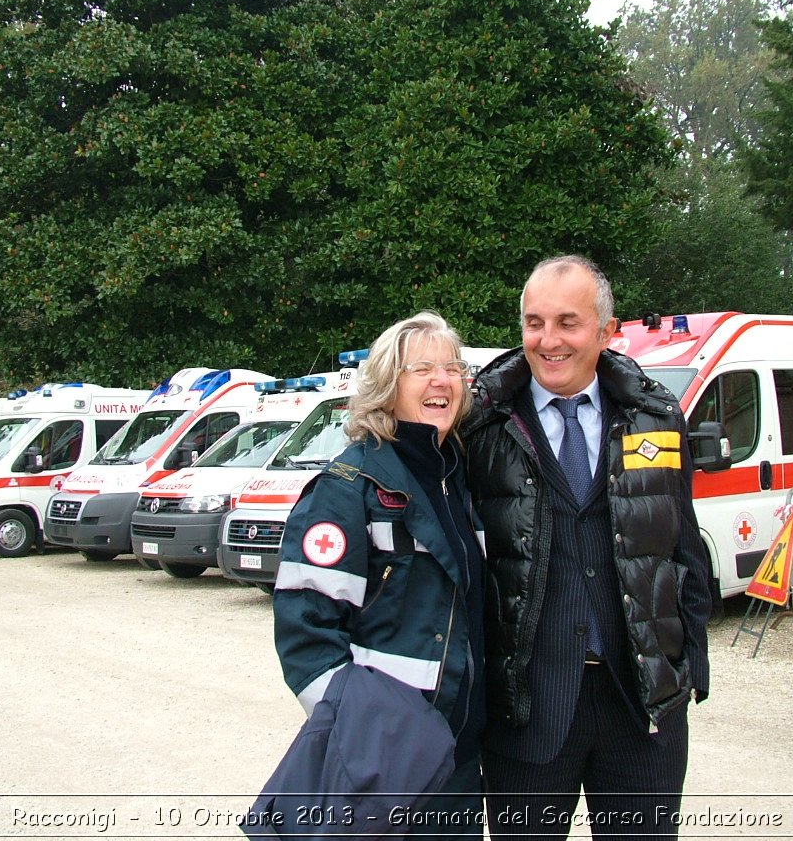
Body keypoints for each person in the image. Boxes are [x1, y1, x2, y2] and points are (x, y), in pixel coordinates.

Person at [461, 256, 712, 839]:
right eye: (534, 322)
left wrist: (688, 660)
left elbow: (682, 544)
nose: (548, 341)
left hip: (640, 707)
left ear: (606, 331)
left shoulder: (656, 418)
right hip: (527, 709)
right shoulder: (482, 425)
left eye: (567, 323)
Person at [273, 311, 486, 836]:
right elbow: (306, 637)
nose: (442, 381)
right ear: (388, 387)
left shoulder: (455, 475)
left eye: (452, 368)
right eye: (422, 369)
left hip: (459, 763)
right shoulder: (348, 486)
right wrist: (361, 736)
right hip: (391, 763)